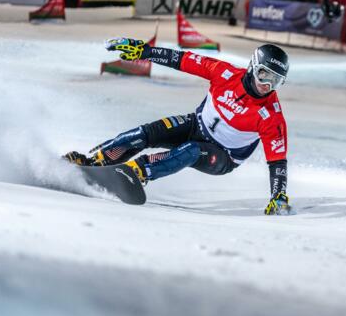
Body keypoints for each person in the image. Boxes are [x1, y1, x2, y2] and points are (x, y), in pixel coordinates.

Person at [64, 39, 293, 215]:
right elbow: (181, 59)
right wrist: (145, 51)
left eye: (276, 81)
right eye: (264, 74)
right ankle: (94, 162)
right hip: (196, 125)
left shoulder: (271, 116)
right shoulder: (224, 73)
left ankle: (138, 171)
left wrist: (279, 196)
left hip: (223, 156)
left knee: (191, 150)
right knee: (144, 134)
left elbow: (277, 162)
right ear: (253, 67)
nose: (267, 85)